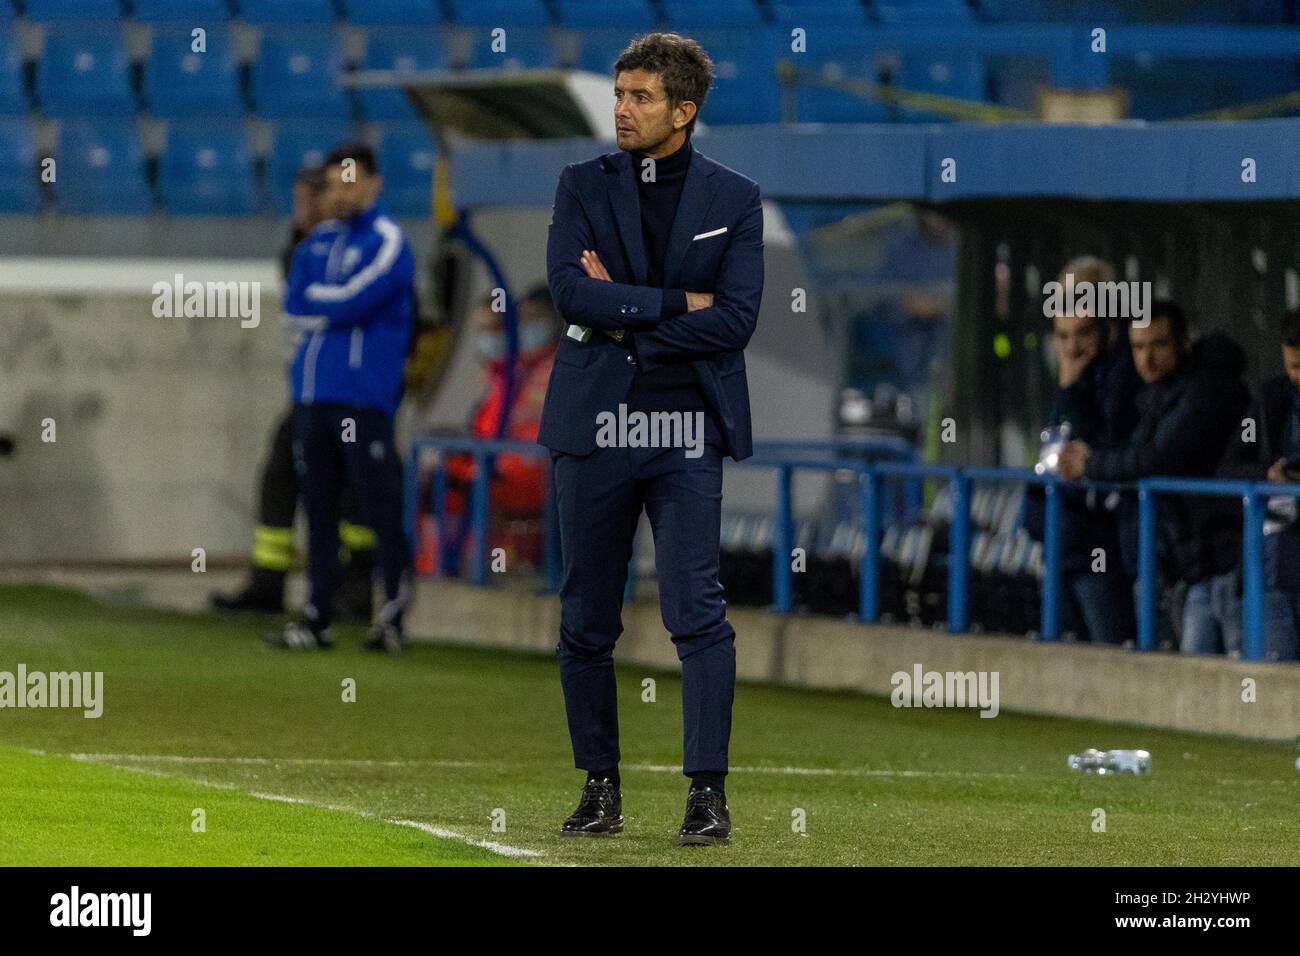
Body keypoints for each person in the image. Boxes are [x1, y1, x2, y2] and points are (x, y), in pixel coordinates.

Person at [540, 32, 763, 846]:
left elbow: (737, 320)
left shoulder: (735, 198)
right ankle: (600, 787)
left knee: (696, 611)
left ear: (684, 110)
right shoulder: (580, 185)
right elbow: (568, 292)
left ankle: (708, 794)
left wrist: (624, 315)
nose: (622, 109)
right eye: (620, 93)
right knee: (585, 618)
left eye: (640, 96)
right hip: (594, 427)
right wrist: (679, 306)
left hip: (685, 429)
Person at [268, 143, 416, 654]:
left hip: (363, 396)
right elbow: (292, 306)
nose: (341, 192)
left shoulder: (389, 241)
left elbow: (357, 301)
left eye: (350, 181)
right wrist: (329, 307)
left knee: (379, 505)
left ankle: (392, 614)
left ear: (374, 184)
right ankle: (317, 616)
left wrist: (322, 305)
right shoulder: (317, 243)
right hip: (312, 395)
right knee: (319, 508)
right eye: (334, 183)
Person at [211, 164, 376, 620]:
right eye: (298, 201)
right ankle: (272, 582)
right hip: (312, 390)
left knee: (351, 489)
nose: (300, 211)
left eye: (309, 201)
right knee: (283, 474)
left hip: (354, 390)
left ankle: (356, 586)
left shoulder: (360, 246)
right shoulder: (304, 251)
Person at [1058, 301, 1252, 656]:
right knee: (1194, 676)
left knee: (1241, 675)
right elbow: (1137, 455)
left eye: (1158, 345)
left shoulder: (1207, 389)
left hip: (1229, 560)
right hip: (1191, 564)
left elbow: (1156, 458)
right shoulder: (1156, 394)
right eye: (1138, 347)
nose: (1146, 359)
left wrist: (1092, 464)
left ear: (1184, 342)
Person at [1024, 304, 1135, 644]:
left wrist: (1071, 388)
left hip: (1096, 549)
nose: (1071, 348)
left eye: (1083, 333)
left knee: (1109, 657)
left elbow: (1100, 447)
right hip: (1059, 544)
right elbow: (1054, 453)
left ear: (1108, 330)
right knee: (1061, 661)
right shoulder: (1071, 384)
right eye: (1062, 336)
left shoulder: (1119, 379)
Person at [432, 284, 559, 575]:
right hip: (505, 466)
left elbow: (532, 436)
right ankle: (448, 566)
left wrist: (488, 464)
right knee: (440, 480)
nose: (525, 327)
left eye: (533, 319)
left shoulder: (554, 369)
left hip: (533, 473)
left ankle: (482, 568)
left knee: (469, 484)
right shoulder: (509, 372)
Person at [1247, 308, 1300, 660]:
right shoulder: (1271, 398)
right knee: (1276, 672)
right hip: (1277, 560)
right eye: (1294, 367)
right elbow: (1232, 461)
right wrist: (1267, 476)